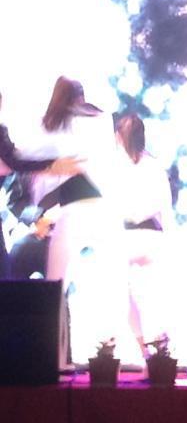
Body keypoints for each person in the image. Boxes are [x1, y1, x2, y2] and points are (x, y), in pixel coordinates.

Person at [28, 77, 128, 362]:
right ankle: (109, 355)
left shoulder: (52, 124)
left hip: (73, 209)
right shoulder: (99, 120)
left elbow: (38, 167)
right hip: (103, 208)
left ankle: (55, 359)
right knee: (108, 284)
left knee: (56, 286)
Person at [0, 89, 80, 278]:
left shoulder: (79, 156)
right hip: (34, 234)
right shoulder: (32, 151)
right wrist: (37, 219)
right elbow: (16, 198)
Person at [116, 114, 175, 358]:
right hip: (141, 237)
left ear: (119, 137)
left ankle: (150, 347)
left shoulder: (121, 167)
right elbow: (165, 208)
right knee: (141, 294)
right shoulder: (151, 166)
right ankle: (152, 348)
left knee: (135, 294)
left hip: (139, 237)